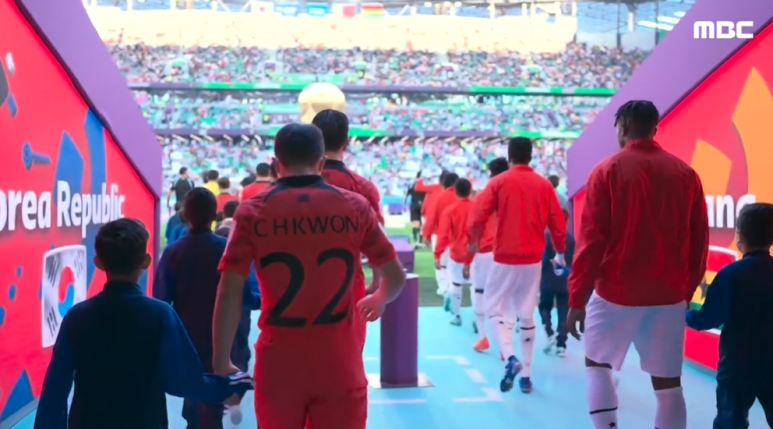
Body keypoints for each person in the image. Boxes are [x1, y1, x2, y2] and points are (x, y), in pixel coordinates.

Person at [212, 123, 406, 429]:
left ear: (276, 164)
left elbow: (228, 292)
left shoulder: (251, 212)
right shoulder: (355, 207)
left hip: (280, 363)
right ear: (321, 162)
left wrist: (221, 359)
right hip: (340, 363)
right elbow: (395, 276)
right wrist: (380, 297)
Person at [567, 100, 709, 429]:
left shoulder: (606, 170)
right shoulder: (686, 174)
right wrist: (684, 291)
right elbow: (699, 240)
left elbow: (591, 242)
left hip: (615, 291)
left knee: (597, 365)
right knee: (669, 385)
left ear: (623, 128)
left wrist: (576, 299)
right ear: (654, 129)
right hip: (668, 294)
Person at [34, 218, 252, 429]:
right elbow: (182, 381)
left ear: (98, 262)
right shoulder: (160, 315)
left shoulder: (76, 317)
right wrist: (227, 388)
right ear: (146, 262)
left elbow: (55, 389)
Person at [154, 188, 259, 429]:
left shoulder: (173, 252)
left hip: (187, 337)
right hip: (224, 338)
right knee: (213, 399)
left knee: (195, 398)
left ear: (185, 214)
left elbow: (161, 300)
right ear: (214, 214)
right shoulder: (227, 249)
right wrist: (266, 300)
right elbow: (245, 296)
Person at [468, 137, 566, 394]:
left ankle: (510, 357)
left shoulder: (498, 182)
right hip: (532, 259)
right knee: (526, 314)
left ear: (509, 156)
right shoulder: (544, 185)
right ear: (530, 156)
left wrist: (472, 240)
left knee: (493, 309)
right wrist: (560, 252)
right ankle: (526, 377)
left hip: (504, 257)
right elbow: (557, 221)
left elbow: (477, 215)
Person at [685, 203, 773, 428]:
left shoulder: (730, 274)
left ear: (739, 235)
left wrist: (685, 315)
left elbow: (710, 318)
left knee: (730, 422)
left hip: (737, 366)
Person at [313, 109, 385, 345]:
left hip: (298, 287)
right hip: (347, 286)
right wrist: (377, 282)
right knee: (348, 356)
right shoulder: (363, 187)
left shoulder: (288, 188)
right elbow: (378, 245)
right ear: (345, 143)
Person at [468, 157, 509, 354]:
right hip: (510, 251)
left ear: (491, 174)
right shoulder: (516, 195)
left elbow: (474, 224)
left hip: (486, 252)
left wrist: (469, 251)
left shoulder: (484, 195)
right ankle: (505, 346)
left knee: (480, 293)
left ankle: (484, 336)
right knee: (505, 297)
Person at [434, 178, 474, 326]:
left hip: (457, 253)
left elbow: (443, 235)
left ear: (456, 192)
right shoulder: (478, 208)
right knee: (476, 287)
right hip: (475, 253)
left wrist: (437, 254)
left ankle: (457, 315)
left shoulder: (450, 210)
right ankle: (478, 319)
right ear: (470, 191)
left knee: (456, 284)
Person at [539, 208, 575, 357]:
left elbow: (542, 259)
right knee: (563, 310)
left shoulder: (546, 237)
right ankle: (562, 345)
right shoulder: (571, 239)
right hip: (565, 280)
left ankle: (549, 332)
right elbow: (573, 261)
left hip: (547, 279)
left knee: (544, 307)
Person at [423, 172, 459, 302]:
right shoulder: (462, 197)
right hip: (459, 237)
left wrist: (426, 235)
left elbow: (431, 218)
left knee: (440, 265)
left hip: (440, 235)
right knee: (453, 265)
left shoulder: (439, 198)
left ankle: (444, 288)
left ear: (442, 183)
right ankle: (453, 287)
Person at [405, 171, 427, 245]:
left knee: (415, 222)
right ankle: (420, 239)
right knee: (422, 223)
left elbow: (406, 195)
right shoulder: (424, 186)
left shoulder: (412, 186)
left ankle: (416, 239)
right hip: (422, 205)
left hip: (414, 205)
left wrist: (404, 204)